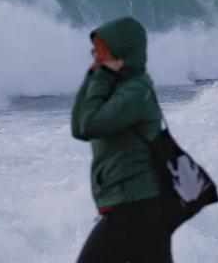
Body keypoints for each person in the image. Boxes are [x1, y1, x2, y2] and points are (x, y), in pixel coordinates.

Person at [72, 17, 172, 263]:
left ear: (120, 51)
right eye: (94, 50)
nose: (95, 55)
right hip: (135, 205)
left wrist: (100, 75)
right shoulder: (119, 87)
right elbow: (78, 126)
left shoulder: (136, 91)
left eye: (101, 50)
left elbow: (89, 125)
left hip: (136, 205)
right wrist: (94, 75)